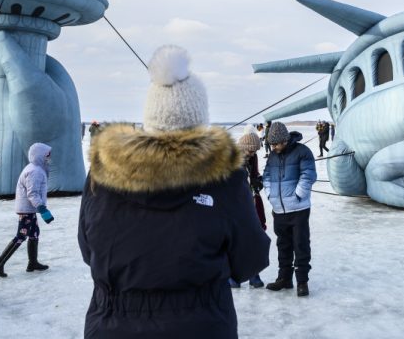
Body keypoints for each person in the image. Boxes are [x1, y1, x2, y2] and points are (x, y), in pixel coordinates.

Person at [78, 45, 270, 338]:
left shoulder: (102, 174)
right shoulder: (225, 179)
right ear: (199, 118)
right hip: (202, 325)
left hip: (113, 325)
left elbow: (88, 247)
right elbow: (250, 260)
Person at [262, 122, 317, 297]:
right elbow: (267, 176)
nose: (274, 147)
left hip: (299, 208)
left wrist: (298, 195)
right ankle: (284, 278)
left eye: (277, 144)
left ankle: (302, 281)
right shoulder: (272, 156)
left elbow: (308, 175)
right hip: (279, 209)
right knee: (283, 245)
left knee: (300, 244)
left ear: (285, 140)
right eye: (272, 144)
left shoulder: (302, 152)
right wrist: (270, 195)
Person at [0, 142, 54, 277]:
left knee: (34, 233)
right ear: (40, 156)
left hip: (30, 209)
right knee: (21, 236)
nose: (49, 157)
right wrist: (42, 209)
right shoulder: (34, 171)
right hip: (27, 209)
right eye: (47, 155)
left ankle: (33, 262)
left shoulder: (37, 169)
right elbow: (32, 193)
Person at [229, 126, 267, 289]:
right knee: (235, 240)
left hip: (251, 202)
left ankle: (253, 274)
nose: (253, 154)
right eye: (250, 152)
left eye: (254, 152)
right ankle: (233, 275)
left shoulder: (253, 158)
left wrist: (257, 182)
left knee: (254, 237)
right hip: (235, 205)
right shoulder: (231, 161)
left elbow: (254, 176)